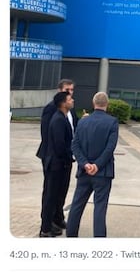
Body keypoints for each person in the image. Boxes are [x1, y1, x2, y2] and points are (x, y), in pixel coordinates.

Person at [66, 92, 119, 238]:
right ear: (107, 104)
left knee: (77, 205)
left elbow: (75, 145)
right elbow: (110, 147)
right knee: (100, 208)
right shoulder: (112, 122)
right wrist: (97, 165)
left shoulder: (83, 121)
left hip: (84, 172)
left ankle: (71, 235)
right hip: (103, 173)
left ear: (93, 102)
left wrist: (85, 164)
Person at [36, 79, 77, 230]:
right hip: (53, 157)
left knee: (62, 190)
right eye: (67, 90)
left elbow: (73, 129)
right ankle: (47, 223)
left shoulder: (70, 109)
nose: (70, 93)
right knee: (51, 192)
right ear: (59, 90)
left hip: (66, 157)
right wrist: (52, 156)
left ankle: (58, 217)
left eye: (72, 90)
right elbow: (47, 134)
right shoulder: (52, 109)